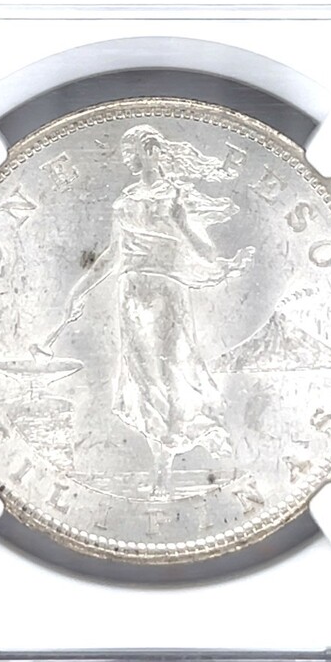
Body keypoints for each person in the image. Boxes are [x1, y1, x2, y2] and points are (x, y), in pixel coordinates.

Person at [61, 124, 254, 495]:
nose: (129, 158)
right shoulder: (125, 201)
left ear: (153, 151)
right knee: (143, 380)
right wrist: (79, 290)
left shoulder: (176, 197)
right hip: (131, 293)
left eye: (134, 150)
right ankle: (163, 467)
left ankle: (189, 444)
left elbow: (207, 252)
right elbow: (112, 255)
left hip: (166, 292)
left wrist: (180, 221)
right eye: (130, 151)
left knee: (168, 376)